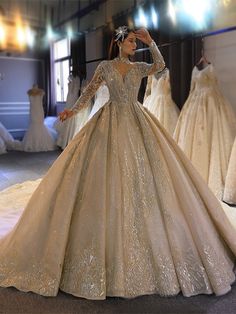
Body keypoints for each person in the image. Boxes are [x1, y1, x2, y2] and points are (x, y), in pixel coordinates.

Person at [0, 27, 236, 300]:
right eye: (133, 41)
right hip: (109, 122)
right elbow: (89, 92)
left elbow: (160, 66)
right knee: (101, 177)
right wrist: (72, 110)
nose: (135, 45)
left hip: (137, 122)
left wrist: (151, 41)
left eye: (137, 41)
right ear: (120, 42)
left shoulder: (137, 68)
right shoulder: (105, 67)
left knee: (146, 177)